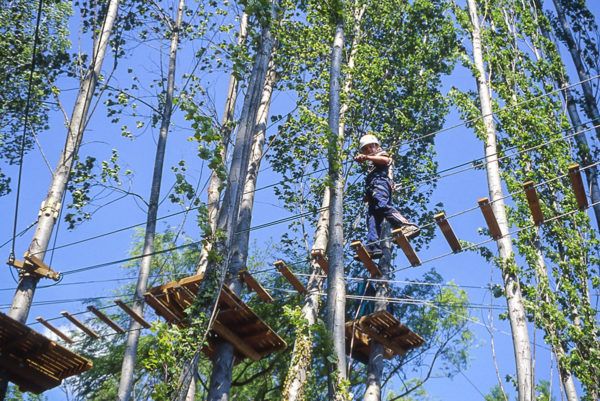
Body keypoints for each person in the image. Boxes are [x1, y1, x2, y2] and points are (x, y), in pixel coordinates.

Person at [354, 133, 419, 259]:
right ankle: (373, 246)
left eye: (369, 147)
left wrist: (366, 157)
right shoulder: (371, 166)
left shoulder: (381, 154)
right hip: (373, 191)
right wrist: (367, 196)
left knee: (383, 205)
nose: (368, 150)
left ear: (376, 146)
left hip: (381, 186)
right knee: (371, 219)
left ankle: (405, 225)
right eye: (365, 149)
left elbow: (385, 161)